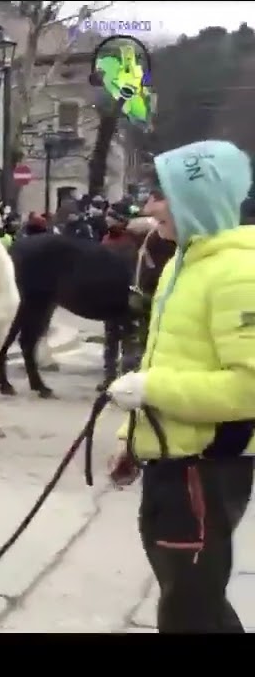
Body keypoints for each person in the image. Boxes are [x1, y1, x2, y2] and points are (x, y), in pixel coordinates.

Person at [105, 140, 255, 633]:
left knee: (188, 609)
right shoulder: (180, 263)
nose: (148, 207)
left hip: (206, 470)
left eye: (161, 194)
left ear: (199, 198)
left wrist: (152, 389)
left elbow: (248, 389)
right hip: (173, 463)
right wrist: (133, 439)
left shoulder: (238, 273)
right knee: (193, 601)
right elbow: (166, 358)